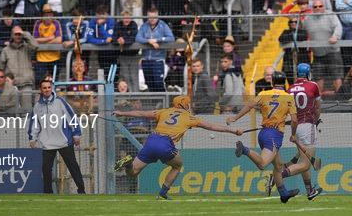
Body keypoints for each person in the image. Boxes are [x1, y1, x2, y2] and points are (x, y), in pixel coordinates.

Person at [114, 95, 242, 199]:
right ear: (185, 105)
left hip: (152, 140)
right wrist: (233, 131)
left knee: (133, 172)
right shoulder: (190, 117)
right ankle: (163, 192)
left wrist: (121, 113)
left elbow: (141, 114)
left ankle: (129, 163)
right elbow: (213, 126)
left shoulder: (164, 111)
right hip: (165, 143)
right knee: (177, 165)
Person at [228, 71, 300, 203]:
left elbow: (250, 105)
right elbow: (295, 120)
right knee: (262, 164)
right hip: (274, 135)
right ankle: (245, 150)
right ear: (284, 83)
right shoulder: (289, 97)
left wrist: (235, 117)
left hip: (264, 133)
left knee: (278, 166)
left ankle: (283, 194)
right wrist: (293, 134)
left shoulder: (263, 94)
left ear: (272, 82)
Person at [266, 64, 323, 200]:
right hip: (308, 126)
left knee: (302, 159)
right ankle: (277, 176)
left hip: (295, 127)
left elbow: (288, 112)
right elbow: (317, 108)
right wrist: (315, 120)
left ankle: (310, 191)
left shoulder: (289, 89)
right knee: (305, 164)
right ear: (308, 73)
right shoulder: (313, 85)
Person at [29, 79, 86, 194]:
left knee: (72, 166)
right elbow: (34, 123)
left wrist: (76, 134)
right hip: (47, 143)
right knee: (46, 169)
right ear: (41, 90)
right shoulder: (37, 106)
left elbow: (72, 117)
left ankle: (81, 190)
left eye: (49, 87)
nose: (47, 90)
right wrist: (32, 138)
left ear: (52, 88)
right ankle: (48, 193)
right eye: (44, 88)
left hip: (64, 141)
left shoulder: (60, 102)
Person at [302, 0, 343, 94]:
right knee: (318, 77)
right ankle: (318, 102)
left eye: (320, 6)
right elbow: (302, 30)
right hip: (317, 54)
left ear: (324, 6)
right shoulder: (308, 19)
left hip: (333, 51)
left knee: (336, 75)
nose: (318, 8)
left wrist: (335, 36)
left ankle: (341, 99)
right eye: (315, 7)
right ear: (312, 8)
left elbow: (338, 27)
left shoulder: (331, 15)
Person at [136, 7, 175, 92]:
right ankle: (154, 103)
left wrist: (158, 40)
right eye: (150, 17)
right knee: (149, 83)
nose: (152, 19)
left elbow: (171, 38)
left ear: (157, 16)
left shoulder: (163, 25)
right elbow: (138, 38)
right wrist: (149, 41)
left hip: (158, 59)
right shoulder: (144, 26)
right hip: (146, 60)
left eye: (154, 17)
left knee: (158, 83)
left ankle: (163, 102)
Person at [0, 26, 39, 109]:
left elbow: (35, 46)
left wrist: (25, 34)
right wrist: (6, 78)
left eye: (19, 34)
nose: (18, 36)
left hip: (26, 83)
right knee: (12, 110)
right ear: (12, 36)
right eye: (16, 34)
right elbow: (0, 67)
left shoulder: (27, 47)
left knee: (27, 109)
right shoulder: (6, 50)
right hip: (11, 84)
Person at [33, 4, 63, 84]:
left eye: (50, 14)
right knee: (40, 81)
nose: (48, 16)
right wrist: (50, 38)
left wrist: (44, 42)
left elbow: (59, 39)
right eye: (46, 14)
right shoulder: (38, 23)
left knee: (54, 81)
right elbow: (34, 40)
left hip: (54, 57)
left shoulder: (56, 23)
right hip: (41, 57)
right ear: (42, 15)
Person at [113, 10, 140, 92]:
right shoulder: (118, 25)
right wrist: (118, 40)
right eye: (124, 18)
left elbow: (134, 38)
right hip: (123, 55)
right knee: (125, 77)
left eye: (128, 17)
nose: (126, 19)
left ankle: (137, 98)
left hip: (133, 55)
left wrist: (124, 41)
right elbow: (114, 38)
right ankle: (129, 98)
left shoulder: (134, 25)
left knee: (134, 77)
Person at [87, 5, 117, 75]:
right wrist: (103, 41)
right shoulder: (92, 21)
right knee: (104, 72)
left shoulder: (111, 21)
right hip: (100, 50)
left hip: (111, 50)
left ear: (107, 14)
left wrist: (100, 26)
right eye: (98, 14)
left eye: (103, 14)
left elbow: (109, 38)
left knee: (113, 73)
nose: (100, 16)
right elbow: (89, 38)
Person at [278, 17, 309, 84]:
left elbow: (302, 37)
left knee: (303, 80)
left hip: (301, 59)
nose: (293, 23)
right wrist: (294, 36)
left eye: (295, 22)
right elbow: (281, 39)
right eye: (291, 22)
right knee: (290, 81)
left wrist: (291, 37)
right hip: (289, 60)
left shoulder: (303, 32)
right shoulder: (285, 31)